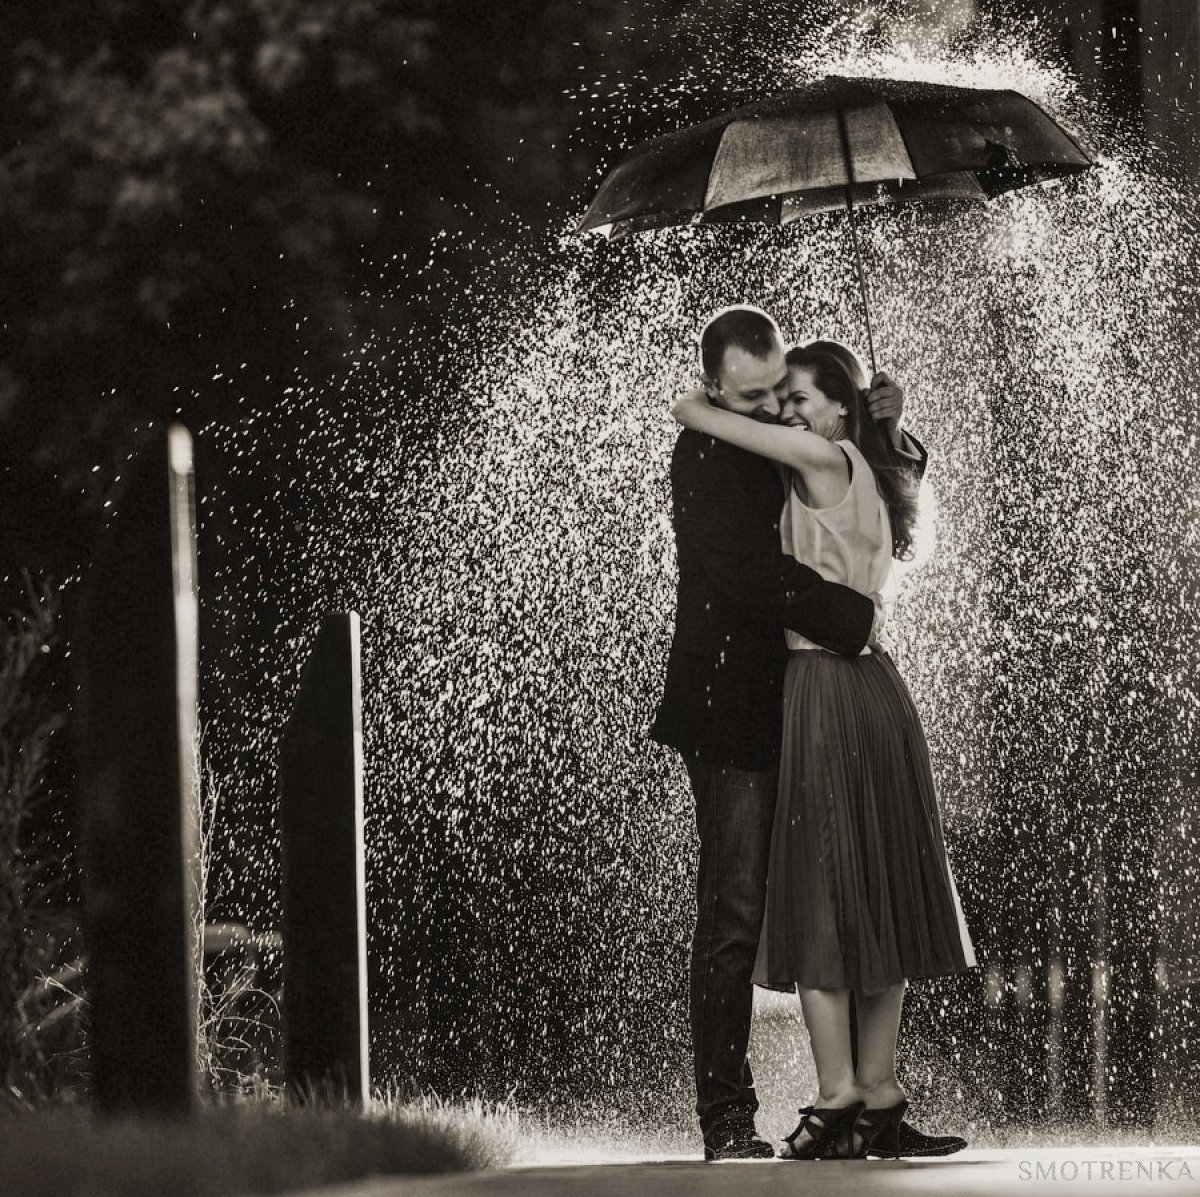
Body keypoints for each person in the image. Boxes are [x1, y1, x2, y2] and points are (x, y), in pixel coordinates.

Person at [651, 305, 964, 1161]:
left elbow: (857, 497)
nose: (767, 411)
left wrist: (889, 426)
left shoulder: (786, 439)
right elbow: (748, 573)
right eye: (750, 399)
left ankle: (864, 1099)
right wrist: (854, 618)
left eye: (779, 393)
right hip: (740, 708)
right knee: (738, 912)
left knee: (849, 886)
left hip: (810, 695)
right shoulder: (710, 449)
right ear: (716, 384)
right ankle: (727, 1119)